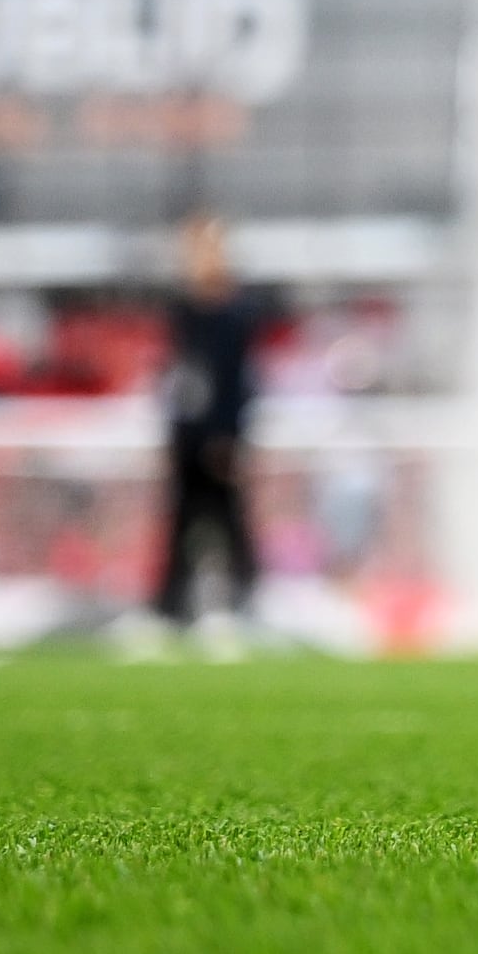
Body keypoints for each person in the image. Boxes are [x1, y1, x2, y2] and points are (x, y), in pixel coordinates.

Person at [150, 213, 272, 645]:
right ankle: (170, 610)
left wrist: (228, 434)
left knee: (230, 520)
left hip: (219, 436)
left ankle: (244, 603)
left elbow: (237, 381)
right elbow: (178, 378)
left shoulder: (234, 314)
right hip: (187, 434)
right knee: (182, 521)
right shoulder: (183, 311)